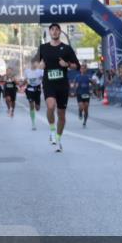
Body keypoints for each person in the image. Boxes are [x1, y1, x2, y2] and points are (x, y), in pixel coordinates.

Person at [34, 23, 80, 152]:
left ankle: (58, 139)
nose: (54, 32)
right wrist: (39, 65)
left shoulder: (66, 48)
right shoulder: (43, 48)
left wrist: (66, 64)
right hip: (49, 83)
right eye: (52, 30)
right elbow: (35, 63)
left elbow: (77, 66)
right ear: (49, 32)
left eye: (56, 30)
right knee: (50, 106)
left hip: (62, 85)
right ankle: (52, 131)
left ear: (60, 32)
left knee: (61, 114)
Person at [23, 58, 44, 130]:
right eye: (35, 63)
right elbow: (26, 79)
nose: (36, 65)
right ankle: (33, 123)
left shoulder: (40, 71)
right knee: (31, 104)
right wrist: (21, 84)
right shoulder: (27, 71)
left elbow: (44, 79)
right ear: (32, 64)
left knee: (37, 108)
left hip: (37, 89)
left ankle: (37, 106)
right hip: (30, 89)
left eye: (37, 63)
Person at [74, 62, 93, 127]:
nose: (82, 70)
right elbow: (74, 84)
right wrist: (75, 87)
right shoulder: (77, 76)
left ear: (86, 69)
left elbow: (94, 83)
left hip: (86, 93)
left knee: (86, 108)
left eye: (84, 68)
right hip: (79, 93)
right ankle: (80, 112)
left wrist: (92, 83)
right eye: (81, 68)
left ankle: (85, 122)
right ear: (80, 70)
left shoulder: (88, 76)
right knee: (81, 107)